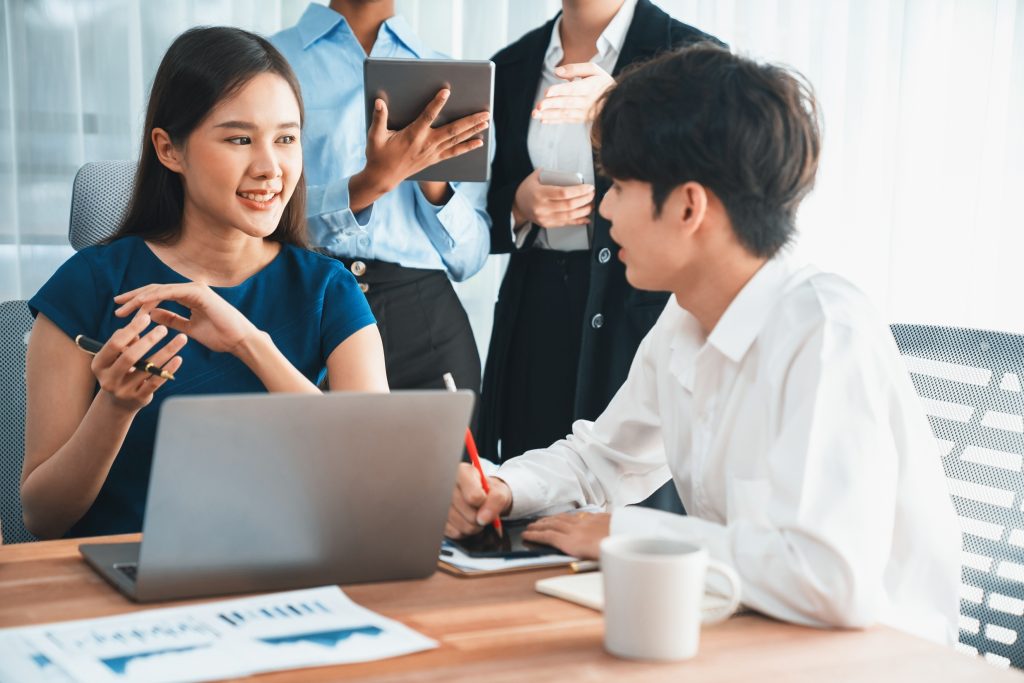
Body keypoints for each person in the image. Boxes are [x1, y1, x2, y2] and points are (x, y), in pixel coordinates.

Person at [446, 44, 961, 643]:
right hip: (751, 631)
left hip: (874, 657)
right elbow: (605, 459)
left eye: (620, 185)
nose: (605, 210)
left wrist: (628, 533)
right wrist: (506, 488)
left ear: (689, 205)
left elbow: (829, 581)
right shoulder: (685, 318)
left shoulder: (823, 332)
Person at [21, 27, 387, 540]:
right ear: (169, 150)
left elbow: (376, 484)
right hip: (124, 583)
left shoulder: (329, 290)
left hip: (287, 569)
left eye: (286, 138)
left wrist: (249, 344)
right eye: (239, 139)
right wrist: (116, 406)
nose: (270, 168)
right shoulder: (88, 286)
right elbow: (42, 516)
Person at [478, 0, 718, 512]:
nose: (611, 201)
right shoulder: (511, 64)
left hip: (639, 301)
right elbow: (481, 209)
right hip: (539, 298)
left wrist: (622, 107)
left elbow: (718, 176)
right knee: (538, 485)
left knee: (642, 492)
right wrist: (519, 204)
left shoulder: (690, 55)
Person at [271, 2, 491, 395]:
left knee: (447, 460)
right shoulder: (267, 65)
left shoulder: (456, 79)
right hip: (306, 310)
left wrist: (433, 181)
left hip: (428, 330)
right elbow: (256, 219)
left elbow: (469, 259)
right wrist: (370, 184)